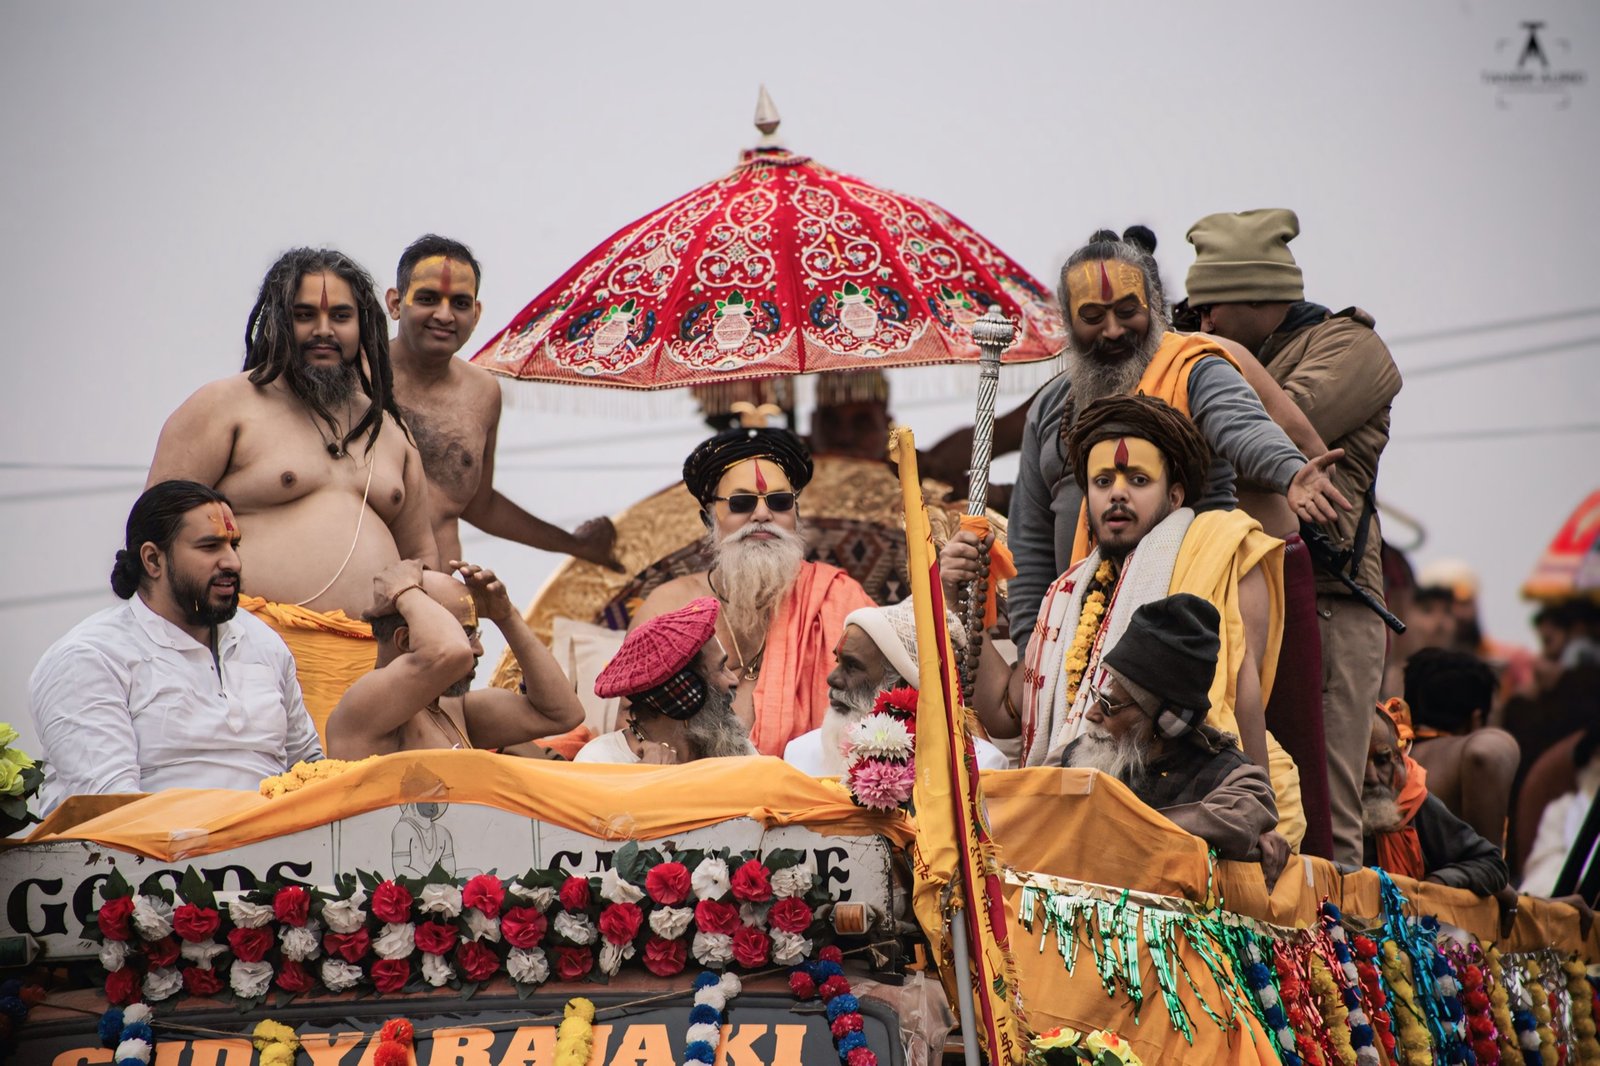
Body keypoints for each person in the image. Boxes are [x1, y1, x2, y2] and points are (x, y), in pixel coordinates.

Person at [952, 395, 1308, 846]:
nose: (1117, 492)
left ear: (1174, 494)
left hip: (1193, 800)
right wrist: (964, 598)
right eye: (1102, 481)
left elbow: (1243, 694)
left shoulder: (1219, 549)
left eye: (1138, 479)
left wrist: (1261, 818)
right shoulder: (1067, 592)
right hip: (1065, 813)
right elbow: (1008, 713)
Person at [1004, 228, 1349, 658]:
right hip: (1078, 639)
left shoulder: (1194, 366)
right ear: (1069, 323)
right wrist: (1029, 648)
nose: (1112, 331)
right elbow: (1030, 542)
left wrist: (1289, 471)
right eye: (1093, 317)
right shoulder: (1052, 406)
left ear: (1153, 305)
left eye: (1127, 311)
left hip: (1193, 629)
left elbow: (1240, 425)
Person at [1185, 208, 1403, 868]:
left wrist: (1213, 367)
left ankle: (1342, 958)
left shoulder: (1352, 350)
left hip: (1330, 601)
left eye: (1210, 307)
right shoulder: (1219, 352)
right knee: (1246, 795)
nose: (1203, 324)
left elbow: (1262, 436)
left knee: (1325, 808)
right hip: (1240, 597)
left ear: (1256, 294)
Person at [146, 247, 438, 739]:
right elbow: (155, 539)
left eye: (340, 316)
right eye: (305, 315)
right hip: (249, 665)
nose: (324, 329)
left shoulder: (389, 430)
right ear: (278, 322)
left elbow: (424, 555)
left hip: (381, 675)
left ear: (363, 326)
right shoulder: (226, 405)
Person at [28, 482, 322, 813]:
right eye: (210, 546)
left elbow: (309, 768)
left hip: (280, 851)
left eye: (233, 545)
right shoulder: (89, 656)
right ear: (153, 560)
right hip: (153, 860)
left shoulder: (262, 641)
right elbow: (113, 808)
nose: (233, 563)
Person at [630, 425, 875, 756]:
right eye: (741, 502)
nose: (762, 514)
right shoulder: (670, 606)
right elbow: (631, 723)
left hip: (814, 798)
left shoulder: (838, 597)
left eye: (779, 501)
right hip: (696, 797)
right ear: (708, 520)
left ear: (796, 514)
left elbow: (896, 691)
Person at [385, 235, 621, 570]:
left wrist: (577, 546)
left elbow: (482, 506)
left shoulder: (482, 392)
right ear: (395, 303)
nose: (444, 314)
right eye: (427, 298)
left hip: (443, 605)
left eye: (460, 303)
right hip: (355, 602)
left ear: (477, 313)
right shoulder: (356, 378)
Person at [1060, 595, 1288, 882]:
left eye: (1110, 706)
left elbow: (1239, 822)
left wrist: (1103, 822)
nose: (1092, 714)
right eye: (1099, 699)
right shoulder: (1077, 754)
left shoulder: (1233, 778)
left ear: (1169, 723)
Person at [324, 559, 584, 758]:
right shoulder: (364, 705)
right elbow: (452, 653)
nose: (479, 649)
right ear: (405, 641)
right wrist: (404, 589)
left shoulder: (456, 708)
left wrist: (506, 615)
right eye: (467, 635)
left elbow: (563, 713)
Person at [785, 598, 1008, 775]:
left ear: (900, 685)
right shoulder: (800, 755)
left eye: (852, 666)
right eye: (838, 662)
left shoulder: (979, 765)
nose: (833, 679)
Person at [574, 597, 752, 764]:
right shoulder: (600, 760)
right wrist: (645, 781)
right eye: (721, 667)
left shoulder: (734, 747)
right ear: (683, 693)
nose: (733, 680)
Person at [1363, 705, 1510, 897]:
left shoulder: (1413, 804)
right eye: (1358, 763)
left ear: (1398, 760)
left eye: (1382, 761)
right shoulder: (1322, 807)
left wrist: (1439, 882)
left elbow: (1491, 864)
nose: (1372, 777)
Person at [1402, 648, 1520, 847]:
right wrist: (1490, 863)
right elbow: (1483, 753)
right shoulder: (1468, 753)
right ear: (1476, 719)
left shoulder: (1385, 754)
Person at [1417, 559, 1537, 703]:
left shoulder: (1511, 660)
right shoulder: (1407, 668)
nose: (1455, 613)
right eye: (1430, 609)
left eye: (1463, 602)